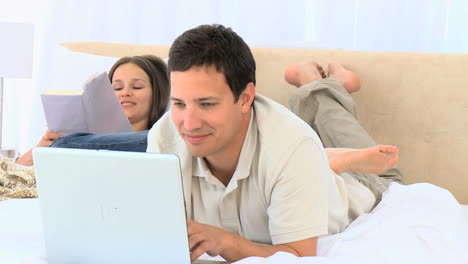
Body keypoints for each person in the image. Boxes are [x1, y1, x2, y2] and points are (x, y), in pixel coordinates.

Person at [146, 24, 400, 262]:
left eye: (207, 104)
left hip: (366, 184)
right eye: (179, 104)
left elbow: (297, 256)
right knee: (297, 158)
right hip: (299, 165)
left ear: (245, 98)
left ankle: (320, 86)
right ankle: (328, 161)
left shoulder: (292, 146)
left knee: (391, 177)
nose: (189, 124)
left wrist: (225, 243)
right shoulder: (164, 139)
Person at [14, 55, 169, 166]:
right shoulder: (77, 143)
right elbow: (14, 179)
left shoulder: (160, 144)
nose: (125, 93)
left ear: (158, 94)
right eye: (117, 88)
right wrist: (40, 152)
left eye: (137, 87)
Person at [284, 61, 404, 202]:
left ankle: (325, 87)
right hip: (382, 193)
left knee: (384, 183)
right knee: (388, 185)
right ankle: (324, 87)